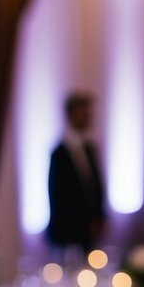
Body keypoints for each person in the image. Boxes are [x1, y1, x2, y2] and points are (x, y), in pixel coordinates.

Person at [46, 91, 106, 258]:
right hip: (68, 230)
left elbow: (95, 185)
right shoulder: (59, 153)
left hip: (89, 228)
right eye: (84, 114)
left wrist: (98, 217)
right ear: (72, 115)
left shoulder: (89, 148)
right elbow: (56, 194)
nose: (88, 117)